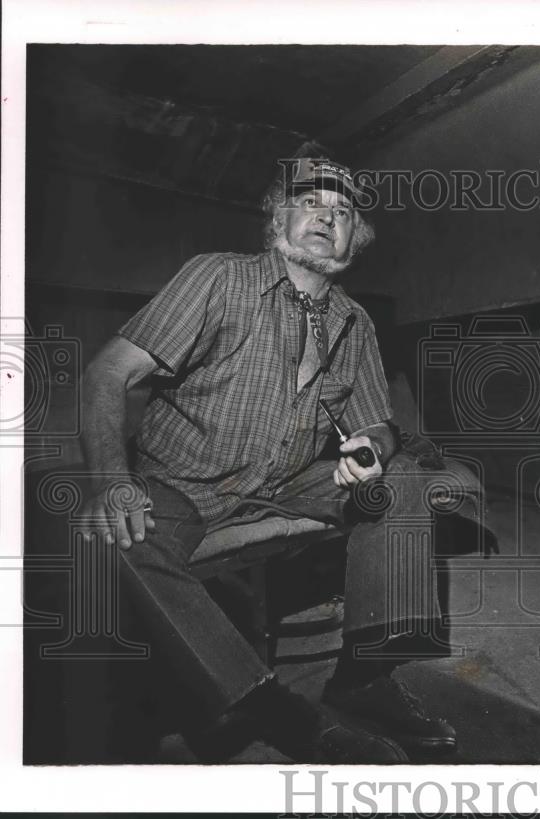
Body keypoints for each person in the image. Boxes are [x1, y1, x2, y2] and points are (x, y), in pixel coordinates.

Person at [79, 150, 494, 763]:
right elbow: (107, 374)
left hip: (284, 479)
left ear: (358, 238)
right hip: (181, 482)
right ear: (278, 218)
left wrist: (372, 449)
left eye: (344, 211)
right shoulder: (217, 277)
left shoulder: (355, 321)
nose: (327, 217)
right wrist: (113, 481)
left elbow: (380, 425)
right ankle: (276, 711)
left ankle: (365, 680)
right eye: (311, 203)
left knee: (404, 477)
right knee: (116, 536)